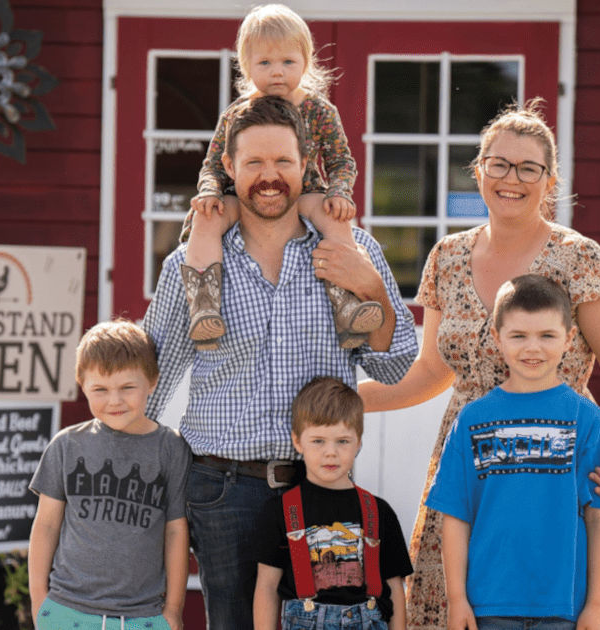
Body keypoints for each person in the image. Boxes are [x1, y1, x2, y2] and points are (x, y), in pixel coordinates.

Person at [357, 99, 600, 629]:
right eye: (499, 164)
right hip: (473, 462)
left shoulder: (580, 259)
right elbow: (433, 372)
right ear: (479, 171)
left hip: (555, 467)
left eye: (528, 168)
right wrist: (348, 401)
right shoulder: (447, 256)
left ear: (549, 179)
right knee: (459, 607)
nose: (511, 179)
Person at [143, 94, 418, 630]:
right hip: (223, 489)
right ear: (228, 167)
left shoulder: (351, 251)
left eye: (283, 163)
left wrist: (370, 288)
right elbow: (151, 381)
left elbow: (395, 365)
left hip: (324, 487)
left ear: (306, 163)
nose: (270, 177)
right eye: (254, 164)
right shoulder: (192, 264)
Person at [180, 3, 381, 351]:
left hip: (305, 192)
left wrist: (340, 192)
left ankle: (345, 303)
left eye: (288, 62)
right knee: (205, 218)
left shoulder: (319, 110)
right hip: (240, 195)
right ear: (246, 66)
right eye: (265, 63)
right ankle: (203, 307)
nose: (277, 72)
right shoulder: (237, 114)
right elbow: (213, 163)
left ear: (306, 61)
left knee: (333, 216)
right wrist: (211, 190)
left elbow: (341, 161)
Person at [426, 275, 600, 630]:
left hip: (563, 609)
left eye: (547, 335)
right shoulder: (473, 419)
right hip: (488, 606)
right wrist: (457, 600)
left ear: (569, 339)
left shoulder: (585, 419)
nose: (533, 348)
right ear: (497, 338)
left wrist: (595, 606)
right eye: (518, 336)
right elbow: (455, 518)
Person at [28, 319, 191, 630]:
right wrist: (39, 602)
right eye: (100, 389)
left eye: (127, 387)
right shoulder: (66, 446)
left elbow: (175, 531)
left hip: (143, 616)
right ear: (82, 384)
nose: (114, 400)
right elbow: (46, 525)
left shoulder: (171, 448)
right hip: (67, 611)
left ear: (152, 381)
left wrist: (173, 609)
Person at [253, 377, 413, 630]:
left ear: (358, 442)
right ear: (298, 441)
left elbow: (394, 587)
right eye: (318, 441)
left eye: (342, 441)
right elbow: (267, 586)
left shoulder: (379, 512)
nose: (331, 452)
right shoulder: (280, 511)